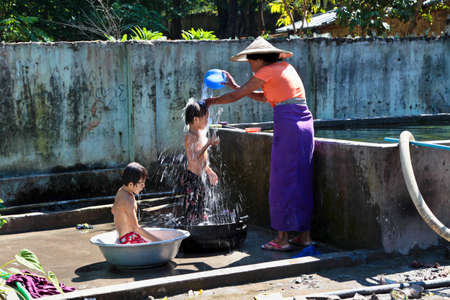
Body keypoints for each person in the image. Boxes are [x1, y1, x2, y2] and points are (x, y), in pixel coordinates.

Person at [206, 37, 314, 251]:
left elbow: (238, 95)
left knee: (281, 179)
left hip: (289, 124)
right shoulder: (284, 67)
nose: (249, 65)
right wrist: (236, 86)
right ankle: (304, 236)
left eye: (250, 61)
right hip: (304, 123)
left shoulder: (265, 71)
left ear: (259, 59)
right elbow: (263, 97)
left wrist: (210, 101)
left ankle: (282, 239)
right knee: (301, 178)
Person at [182, 100, 220, 224]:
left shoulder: (200, 135)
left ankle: (201, 225)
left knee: (201, 206)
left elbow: (203, 158)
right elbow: (193, 158)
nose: (207, 121)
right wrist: (208, 143)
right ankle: (189, 231)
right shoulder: (190, 137)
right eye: (206, 118)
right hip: (192, 178)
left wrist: (209, 171)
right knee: (191, 209)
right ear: (196, 119)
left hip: (200, 177)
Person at [111, 162, 160, 244]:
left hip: (123, 238)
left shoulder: (120, 192)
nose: (143, 186)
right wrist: (158, 241)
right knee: (159, 249)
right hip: (130, 239)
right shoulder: (128, 200)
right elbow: (136, 228)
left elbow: (113, 210)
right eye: (141, 183)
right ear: (130, 184)